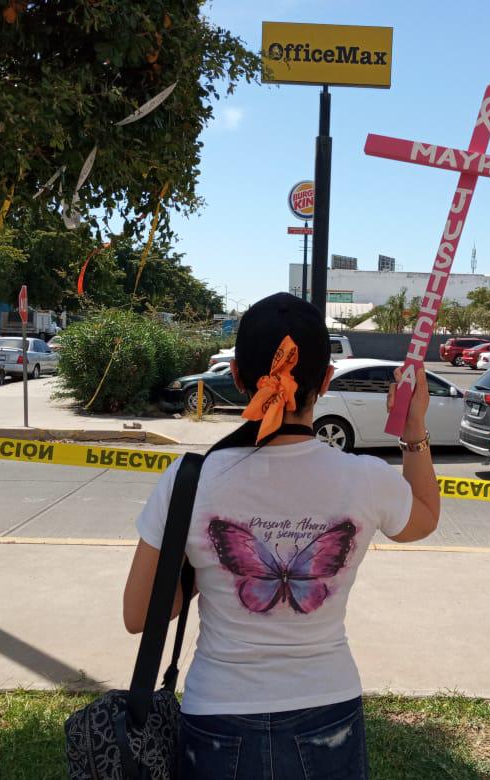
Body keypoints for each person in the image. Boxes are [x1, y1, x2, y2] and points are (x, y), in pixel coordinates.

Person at [124, 292, 440, 779]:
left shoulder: (190, 479)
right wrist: (413, 428)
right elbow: (422, 518)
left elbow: (139, 614)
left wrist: (207, 565)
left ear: (236, 377)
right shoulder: (364, 477)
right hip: (328, 707)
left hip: (217, 715)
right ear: (327, 381)